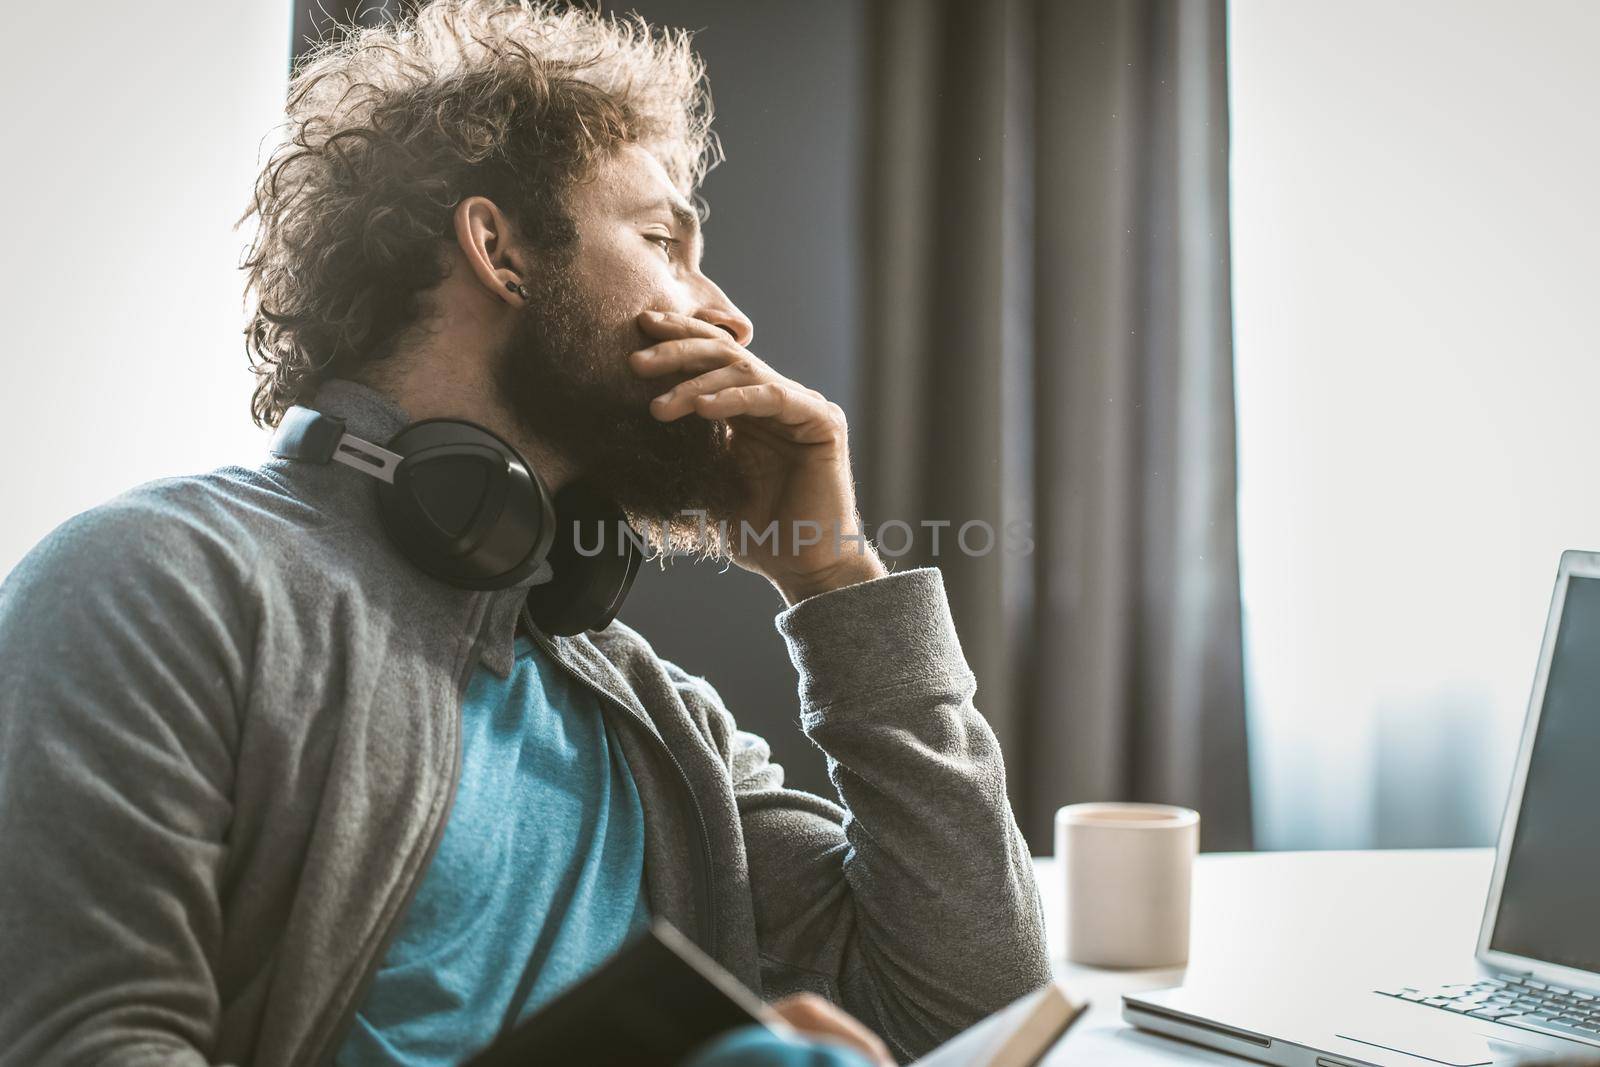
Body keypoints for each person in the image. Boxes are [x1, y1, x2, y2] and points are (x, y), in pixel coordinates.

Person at [0, 2, 1049, 1065]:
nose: (725, 313)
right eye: (660, 242)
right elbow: (89, 1042)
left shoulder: (650, 716)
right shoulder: (157, 579)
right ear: (498, 247)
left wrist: (834, 580)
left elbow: (971, 1010)